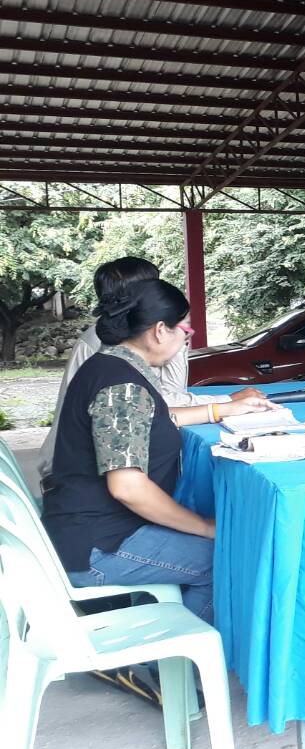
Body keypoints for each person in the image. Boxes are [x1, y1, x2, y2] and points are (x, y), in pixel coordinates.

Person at [41, 279, 277, 623]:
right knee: (227, 557)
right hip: (97, 547)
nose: (187, 338)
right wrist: (203, 526)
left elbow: (153, 420)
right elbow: (128, 488)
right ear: (160, 330)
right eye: (186, 329)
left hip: (87, 529)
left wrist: (223, 409)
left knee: (215, 542)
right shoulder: (122, 387)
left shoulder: (110, 366)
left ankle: (158, 626)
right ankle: (169, 653)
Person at [39, 256, 265, 481]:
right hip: (77, 473)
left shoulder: (133, 349)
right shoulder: (112, 363)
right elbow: (127, 484)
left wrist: (176, 338)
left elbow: (157, 408)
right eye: (156, 286)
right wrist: (226, 403)